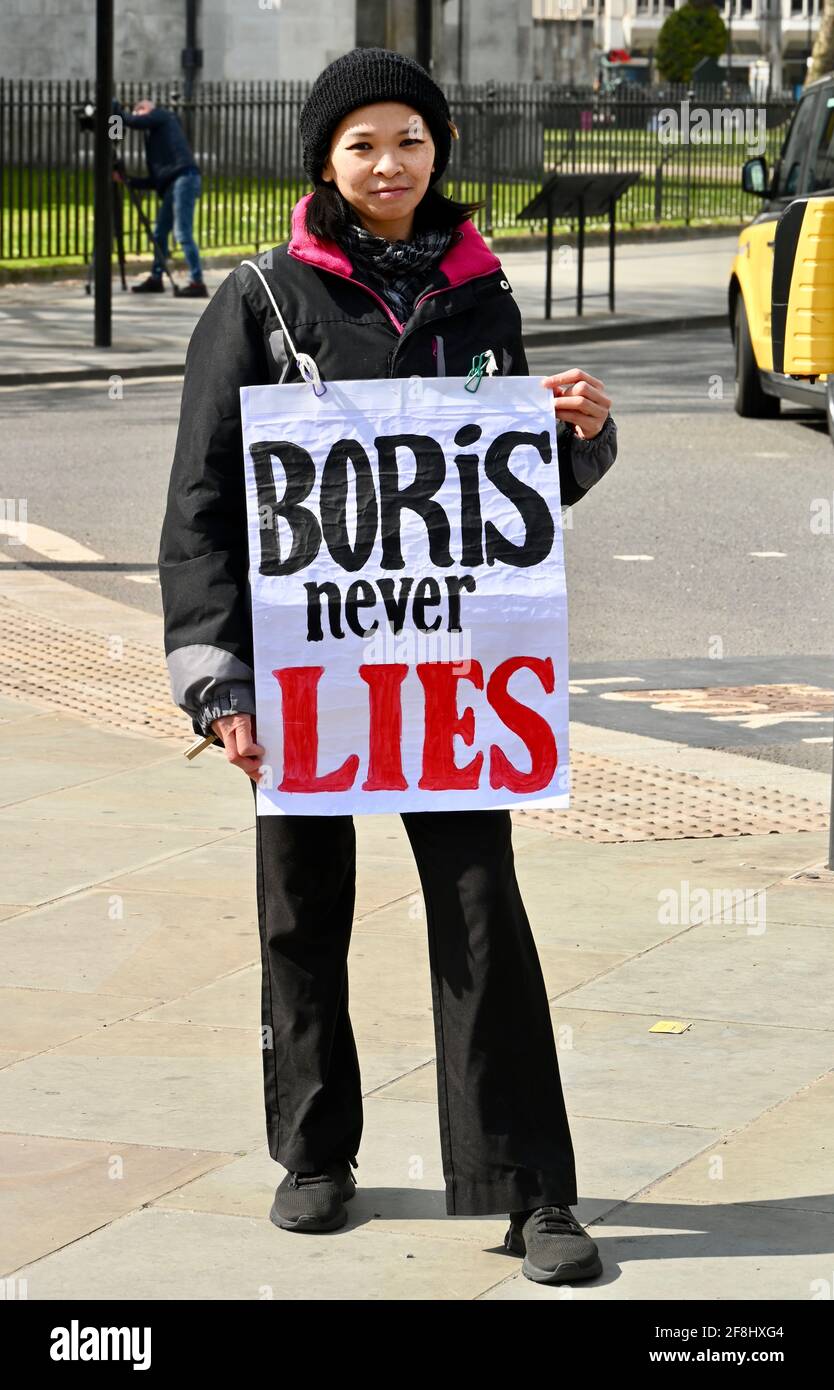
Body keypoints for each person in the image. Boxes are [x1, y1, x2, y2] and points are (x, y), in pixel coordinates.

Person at [158, 47, 617, 1286]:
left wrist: (576, 437)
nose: (390, 163)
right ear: (326, 158)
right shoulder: (259, 299)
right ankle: (316, 1151)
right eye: (363, 142)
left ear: (438, 149)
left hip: (450, 669)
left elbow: (498, 496)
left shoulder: (479, 293)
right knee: (303, 911)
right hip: (303, 670)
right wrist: (217, 678)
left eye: (410, 139)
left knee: (483, 913)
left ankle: (532, 1189)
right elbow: (201, 504)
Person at [111, 97, 207, 298]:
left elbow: (136, 121)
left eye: (139, 111)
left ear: (146, 109)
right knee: (159, 234)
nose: (136, 117)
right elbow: (156, 181)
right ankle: (156, 278)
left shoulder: (164, 116)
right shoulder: (158, 137)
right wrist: (127, 180)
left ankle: (197, 282)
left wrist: (116, 111)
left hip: (184, 179)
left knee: (182, 233)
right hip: (174, 182)